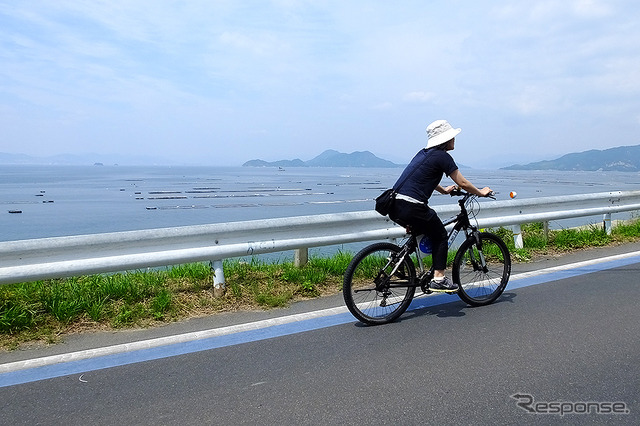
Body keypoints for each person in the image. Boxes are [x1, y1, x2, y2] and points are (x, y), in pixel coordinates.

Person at [388, 119, 493, 292]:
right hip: (412, 205)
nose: (454, 140)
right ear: (445, 139)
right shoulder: (443, 157)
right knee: (440, 235)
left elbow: (421, 176)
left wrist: (444, 190)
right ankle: (439, 278)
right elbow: (463, 182)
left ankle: (398, 262)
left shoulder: (423, 153)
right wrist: (481, 192)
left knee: (423, 230)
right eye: (452, 136)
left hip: (394, 203)